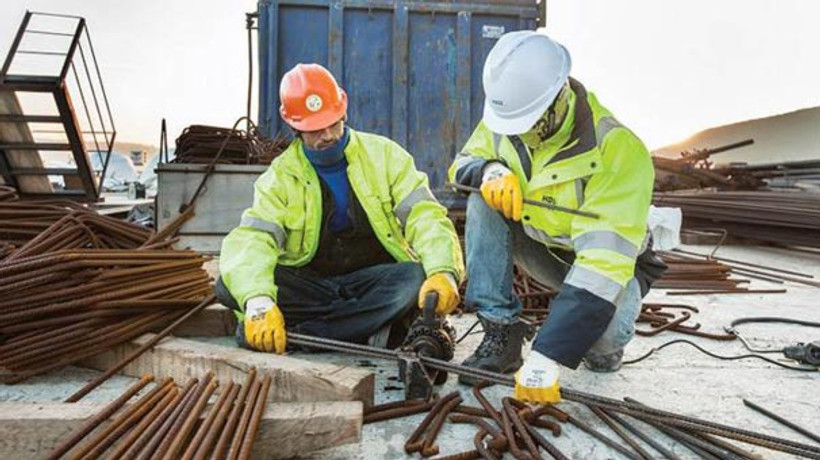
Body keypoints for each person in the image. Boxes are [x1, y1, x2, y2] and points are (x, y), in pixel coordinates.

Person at [448, 31, 664, 403]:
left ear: (558, 96)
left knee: (600, 343)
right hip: (540, 244)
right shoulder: (508, 119)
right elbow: (461, 166)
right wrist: (489, 171)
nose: (520, 136)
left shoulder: (618, 150)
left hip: (606, 268)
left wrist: (547, 355)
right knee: (481, 201)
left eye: (528, 124)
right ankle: (501, 332)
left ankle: (604, 344)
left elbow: (601, 266)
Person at [217, 63, 464, 354]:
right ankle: (367, 331)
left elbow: (425, 215)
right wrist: (258, 301)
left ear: (343, 111)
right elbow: (254, 240)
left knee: (413, 278)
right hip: (313, 286)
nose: (328, 135)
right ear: (294, 126)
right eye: (315, 129)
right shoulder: (279, 177)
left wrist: (443, 271)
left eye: (333, 123)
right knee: (227, 287)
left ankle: (304, 336)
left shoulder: (384, 155)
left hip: (372, 280)